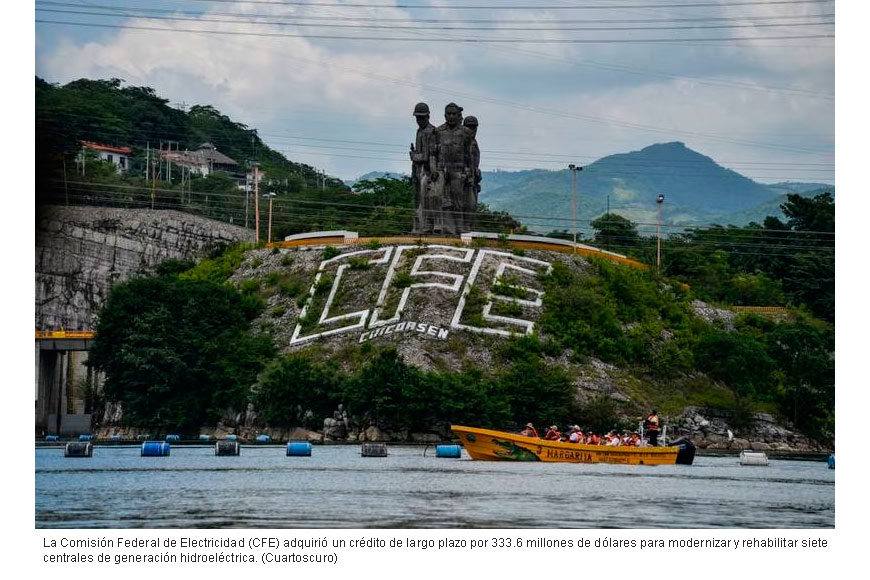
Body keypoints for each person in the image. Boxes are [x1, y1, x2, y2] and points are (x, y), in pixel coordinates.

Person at [434, 103, 474, 234]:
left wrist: (469, 171)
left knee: (458, 200)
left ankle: (460, 227)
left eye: (454, 114)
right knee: (439, 199)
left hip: (458, 170)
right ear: (444, 115)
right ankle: (441, 227)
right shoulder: (438, 131)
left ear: (458, 115)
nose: (451, 116)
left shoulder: (466, 132)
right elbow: (433, 153)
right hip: (442, 170)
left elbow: (469, 154)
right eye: (448, 114)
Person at [410, 102, 438, 234]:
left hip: (426, 171)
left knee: (426, 201)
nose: (419, 120)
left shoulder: (431, 131)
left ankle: (426, 227)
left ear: (428, 116)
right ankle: (417, 227)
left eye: (422, 117)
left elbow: (427, 156)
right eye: (417, 118)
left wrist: (415, 156)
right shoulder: (419, 131)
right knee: (417, 201)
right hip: (417, 171)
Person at [462, 115, 481, 231]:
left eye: (474, 128)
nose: (471, 130)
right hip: (463, 180)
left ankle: (468, 228)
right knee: (466, 206)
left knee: (472, 207)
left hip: (473, 181)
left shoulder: (474, 143)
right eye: (469, 127)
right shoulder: (462, 143)